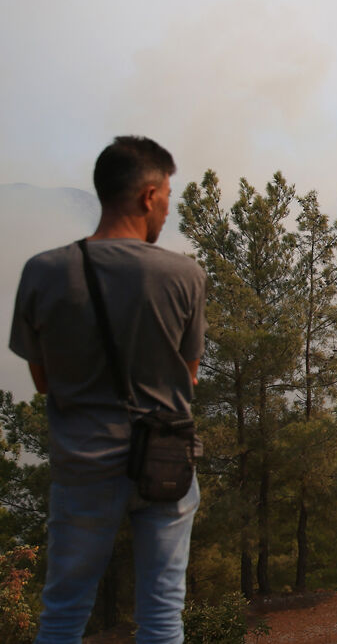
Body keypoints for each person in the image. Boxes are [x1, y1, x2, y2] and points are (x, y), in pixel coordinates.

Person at [9, 136, 206, 643]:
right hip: (164, 465)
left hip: (82, 467)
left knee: (63, 614)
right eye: (168, 194)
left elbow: (43, 378)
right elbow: (190, 377)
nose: (168, 206)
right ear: (148, 195)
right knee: (162, 617)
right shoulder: (184, 275)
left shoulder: (43, 271)